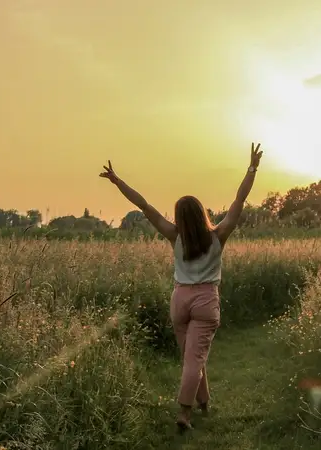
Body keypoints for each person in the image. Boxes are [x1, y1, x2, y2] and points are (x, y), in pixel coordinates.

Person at [99, 143, 264, 431]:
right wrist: (252, 168)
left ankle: (204, 403)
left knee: (192, 357)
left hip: (180, 301)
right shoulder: (219, 235)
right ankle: (184, 414)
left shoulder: (173, 235)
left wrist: (117, 181)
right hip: (204, 302)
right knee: (194, 360)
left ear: (179, 216)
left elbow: (143, 205)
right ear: (201, 213)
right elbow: (239, 200)